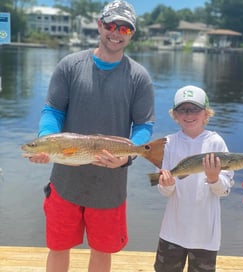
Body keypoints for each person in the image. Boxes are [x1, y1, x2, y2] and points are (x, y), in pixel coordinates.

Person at [27, 1, 155, 272]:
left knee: (101, 251)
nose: (116, 32)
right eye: (110, 25)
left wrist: (127, 157)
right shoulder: (70, 65)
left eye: (125, 28)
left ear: (132, 34)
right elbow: (52, 110)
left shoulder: (139, 77)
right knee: (58, 247)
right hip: (65, 180)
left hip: (110, 184)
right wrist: (47, 141)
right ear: (99, 25)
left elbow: (144, 126)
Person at [154, 85, 234, 272]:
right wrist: (167, 184)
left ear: (206, 113)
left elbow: (225, 190)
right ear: (175, 114)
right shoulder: (168, 143)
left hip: (205, 235)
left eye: (194, 109)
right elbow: (164, 190)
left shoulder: (216, 142)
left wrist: (214, 178)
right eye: (182, 110)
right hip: (172, 231)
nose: (188, 115)